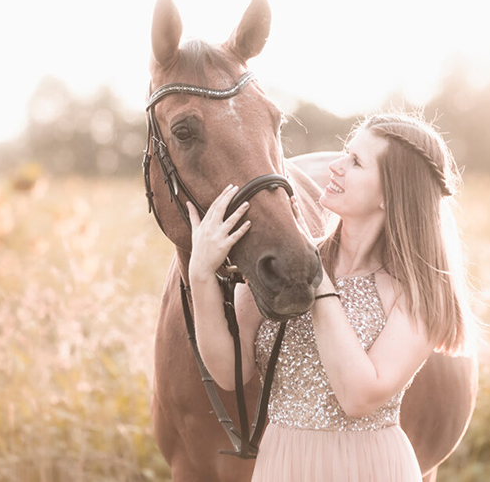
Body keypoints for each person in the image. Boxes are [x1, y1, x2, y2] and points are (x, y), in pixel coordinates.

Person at [187, 112, 474, 481]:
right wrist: (201, 275)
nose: (335, 166)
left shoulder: (418, 292)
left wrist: (317, 279)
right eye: (345, 153)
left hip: (369, 470)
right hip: (284, 467)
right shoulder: (284, 267)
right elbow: (229, 372)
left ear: (391, 192)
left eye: (355, 162)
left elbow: (358, 397)